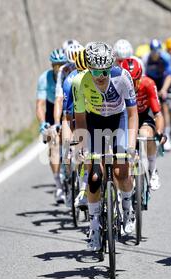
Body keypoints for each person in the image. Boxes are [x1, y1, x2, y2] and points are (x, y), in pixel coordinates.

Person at [73, 42, 138, 251]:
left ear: (111, 67)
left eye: (104, 71)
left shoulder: (123, 77)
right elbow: (80, 119)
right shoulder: (80, 82)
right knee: (94, 178)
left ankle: (128, 209)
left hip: (118, 120)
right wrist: (82, 147)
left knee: (121, 171)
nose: (100, 76)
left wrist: (130, 146)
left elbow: (132, 114)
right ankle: (94, 227)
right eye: (95, 71)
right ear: (88, 68)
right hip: (94, 122)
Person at [120, 57, 167, 191]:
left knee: (146, 135)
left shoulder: (148, 84)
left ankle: (152, 170)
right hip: (124, 118)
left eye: (136, 81)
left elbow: (157, 114)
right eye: (129, 81)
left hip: (143, 117)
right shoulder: (117, 85)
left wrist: (159, 132)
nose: (133, 85)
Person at [36, 48, 68, 204]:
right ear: (52, 66)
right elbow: (40, 104)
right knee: (53, 142)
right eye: (56, 65)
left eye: (61, 64)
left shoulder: (68, 75)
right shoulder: (44, 78)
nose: (58, 68)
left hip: (66, 108)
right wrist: (43, 123)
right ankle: (58, 185)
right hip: (51, 109)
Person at [61, 49, 89, 209]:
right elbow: (67, 118)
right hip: (77, 116)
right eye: (81, 72)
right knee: (80, 151)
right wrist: (67, 145)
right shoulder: (70, 82)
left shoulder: (100, 78)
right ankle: (83, 188)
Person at [142, 39, 171, 151]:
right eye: (153, 51)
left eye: (157, 51)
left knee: (163, 106)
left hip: (162, 81)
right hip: (150, 81)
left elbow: (169, 75)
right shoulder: (146, 58)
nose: (155, 53)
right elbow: (143, 75)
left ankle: (167, 135)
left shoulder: (165, 57)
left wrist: (164, 90)